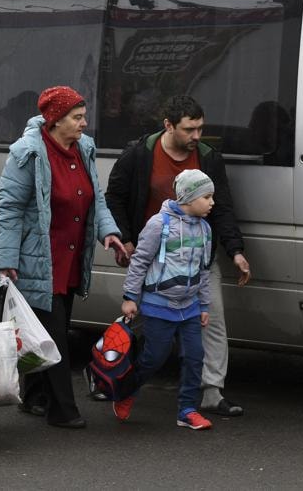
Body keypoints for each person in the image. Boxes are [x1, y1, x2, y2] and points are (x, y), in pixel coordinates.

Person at [0, 85, 126, 429]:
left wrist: (109, 233)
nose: (84, 123)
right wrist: (6, 259)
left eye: (83, 116)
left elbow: (97, 202)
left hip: (71, 259)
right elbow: (9, 209)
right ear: (55, 120)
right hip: (38, 260)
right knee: (56, 340)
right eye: (77, 118)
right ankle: (63, 411)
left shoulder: (85, 149)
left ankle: (35, 396)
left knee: (49, 332)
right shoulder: (28, 153)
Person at [106, 94, 250, 417]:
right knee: (138, 323)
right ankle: (109, 376)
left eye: (200, 128)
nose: (197, 136)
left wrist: (236, 251)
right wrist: (126, 239)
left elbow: (223, 208)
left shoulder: (209, 157)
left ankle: (212, 392)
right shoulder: (140, 153)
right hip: (155, 256)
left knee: (212, 320)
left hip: (198, 258)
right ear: (168, 126)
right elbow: (114, 195)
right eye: (189, 130)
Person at [114, 169, 216, 430]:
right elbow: (139, 262)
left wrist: (204, 305)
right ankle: (126, 391)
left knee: (195, 357)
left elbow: (204, 269)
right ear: (189, 198)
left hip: (190, 307)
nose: (211, 202)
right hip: (159, 306)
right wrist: (130, 297)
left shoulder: (205, 228)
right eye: (207, 197)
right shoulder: (159, 224)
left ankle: (187, 410)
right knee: (154, 357)